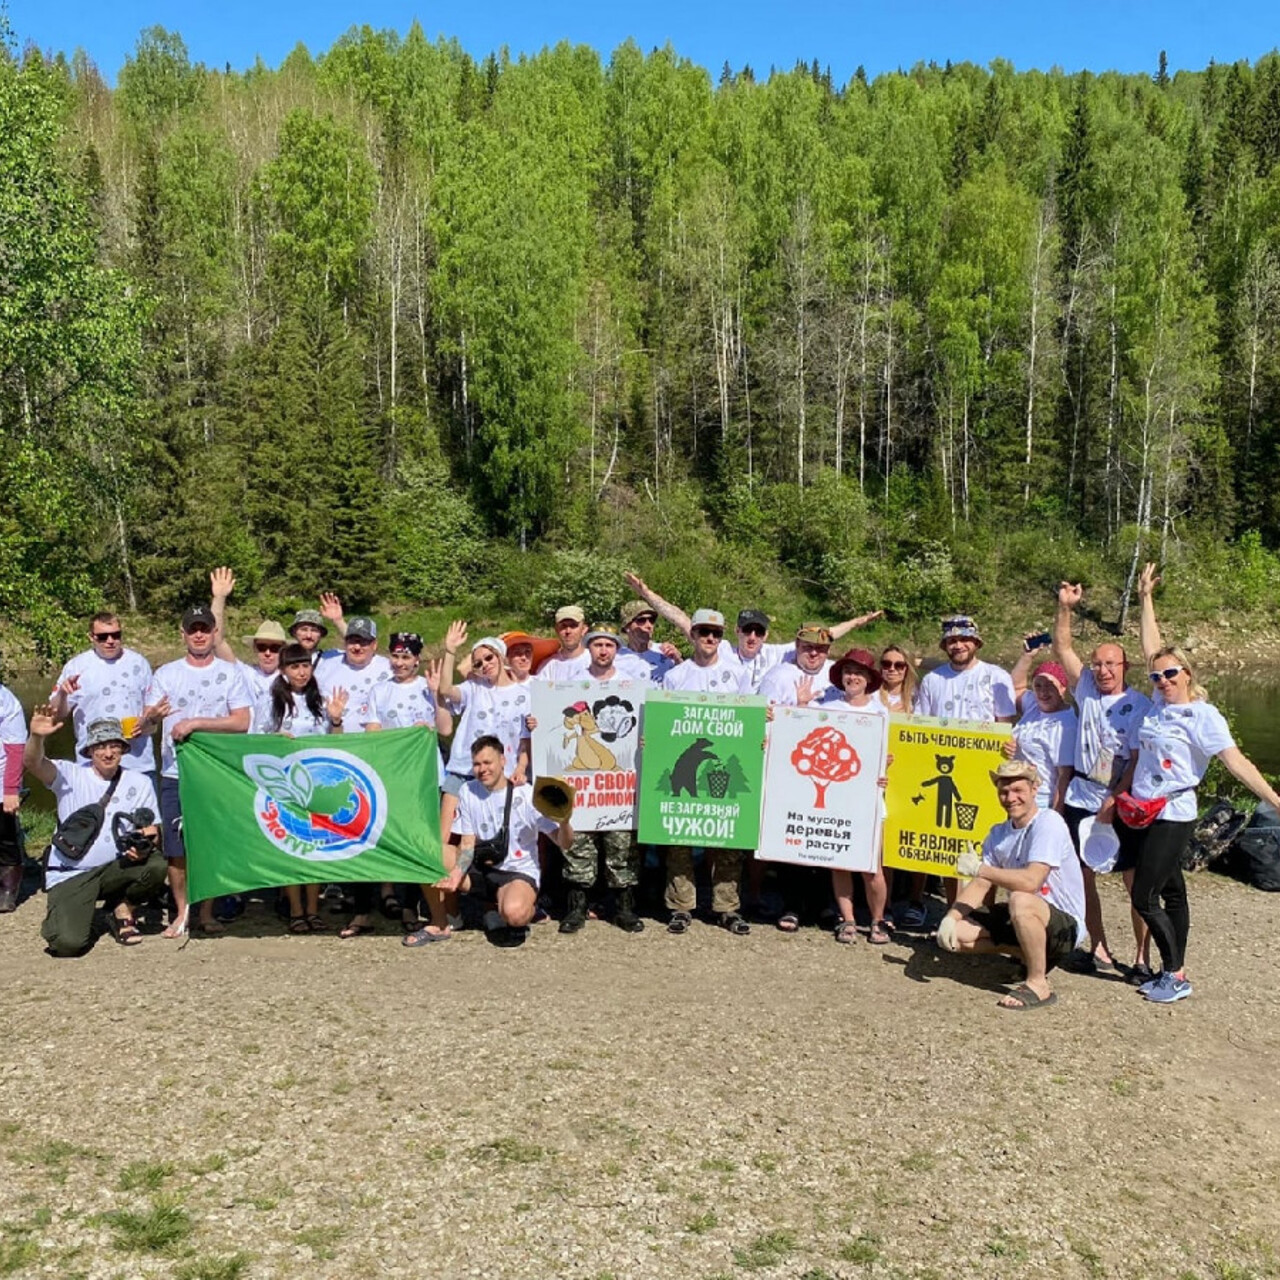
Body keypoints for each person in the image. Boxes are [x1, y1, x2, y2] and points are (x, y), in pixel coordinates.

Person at [1124, 563, 1280, 1003]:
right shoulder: (1159, 700)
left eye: (1172, 674)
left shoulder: (1202, 716)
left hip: (1173, 812)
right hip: (1145, 809)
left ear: (1188, 675)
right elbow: (1153, 647)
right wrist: (1145, 599)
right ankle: (1175, 969)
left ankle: (1174, 974)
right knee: (1172, 891)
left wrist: (1273, 798)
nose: (1163, 680)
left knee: (1144, 895)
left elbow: (1236, 762)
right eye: (1157, 676)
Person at [1052, 581, 1152, 977]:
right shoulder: (1087, 690)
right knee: (1083, 877)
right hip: (1081, 795)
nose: (1103, 670)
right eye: (1098, 664)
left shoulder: (1139, 705)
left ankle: (1143, 958)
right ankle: (1099, 948)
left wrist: (1116, 798)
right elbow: (1062, 646)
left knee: (1134, 882)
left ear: (1125, 667)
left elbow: (1136, 761)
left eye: (1111, 664)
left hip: (1121, 800)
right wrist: (1065, 607)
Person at [934, 760, 1087, 1010]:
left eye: (1018, 790)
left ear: (1034, 789)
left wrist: (980, 868)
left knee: (1020, 899)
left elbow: (1031, 881)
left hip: (1063, 925)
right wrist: (950, 917)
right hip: (1026, 916)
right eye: (1004, 792)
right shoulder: (998, 833)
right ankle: (1029, 956)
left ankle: (1038, 984)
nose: (1010, 798)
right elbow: (980, 884)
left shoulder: (1048, 823)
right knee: (956, 936)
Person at [138, 605, 252, 937]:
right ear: (183, 634)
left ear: (215, 632)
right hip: (175, 773)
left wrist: (197, 723)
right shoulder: (166, 674)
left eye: (205, 628)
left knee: (211, 843)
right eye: (193, 629)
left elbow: (242, 722)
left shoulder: (230, 673)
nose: (199, 634)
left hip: (214, 774)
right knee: (176, 850)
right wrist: (153, 718)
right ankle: (182, 912)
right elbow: (145, 728)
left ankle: (207, 912)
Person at [409, 736, 574, 947]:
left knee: (514, 915)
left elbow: (565, 843)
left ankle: (528, 907)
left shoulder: (527, 794)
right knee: (431, 852)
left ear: (503, 761)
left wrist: (565, 821)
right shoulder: (468, 791)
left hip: (516, 872)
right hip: (482, 866)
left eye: (488, 763)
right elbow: (467, 844)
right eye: (477, 764)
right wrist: (456, 875)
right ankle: (441, 923)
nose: (482, 769)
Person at [26, 711, 165, 955]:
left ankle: (121, 908)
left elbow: (151, 829)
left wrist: (144, 845)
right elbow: (33, 763)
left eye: (114, 746)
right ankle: (71, 910)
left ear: (123, 749)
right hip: (72, 873)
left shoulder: (140, 782)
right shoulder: (69, 775)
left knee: (155, 866)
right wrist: (36, 737)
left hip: (114, 868)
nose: (108, 753)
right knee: (68, 944)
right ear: (89, 751)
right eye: (100, 746)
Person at [343, 633, 450, 937]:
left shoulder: (427, 688)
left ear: (417, 659)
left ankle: (410, 907)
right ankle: (362, 911)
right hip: (389, 778)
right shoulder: (379, 690)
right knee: (371, 838)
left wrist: (435, 699)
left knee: (415, 842)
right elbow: (373, 733)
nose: (400, 663)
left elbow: (445, 728)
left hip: (424, 779)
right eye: (396, 656)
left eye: (406, 658)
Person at [659, 608, 753, 935]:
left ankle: (727, 907)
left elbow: (749, 719)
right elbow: (665, 722)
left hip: (722, 765)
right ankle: (681, 906)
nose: (709, 639)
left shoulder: (738, 673)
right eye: (703, 632)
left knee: (728, 838)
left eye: (715, 634)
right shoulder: (675, 676)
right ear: (693, 635)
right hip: (683, 763)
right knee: (680, 836)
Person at [624, 572, 882, 691]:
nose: (752, 637)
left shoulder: (776, 654)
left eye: (759, 632)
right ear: (736, 631)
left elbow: (823, 636)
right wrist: (646, 593)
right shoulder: (721, 648)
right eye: (747, 631)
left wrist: (859, 621)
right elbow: (681, 618)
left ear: (766, 636)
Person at [552, 626, 644, 934]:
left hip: (619, 784)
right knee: (579, 845)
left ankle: (624, 908)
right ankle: (577, 908)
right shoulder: (571, 685)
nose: (603, 650)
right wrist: (537, 722)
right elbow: (556, 720)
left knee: (622, 845)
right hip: (582, 783)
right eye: (597, 645)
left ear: (616, 650)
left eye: (609, 645)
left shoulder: (632, 685)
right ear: (589, 648)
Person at [818, 649, 893, 944]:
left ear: (869, 679)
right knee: (839, 861)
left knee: (871, 865)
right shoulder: (828, 707)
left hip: (869, 795)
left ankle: (878, 920)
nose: (853, 677)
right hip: (836, 793)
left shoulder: (880, 712)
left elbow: (889, 753)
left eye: (859, 672)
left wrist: (886, 767)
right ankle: (847, 920)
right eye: (849, 671)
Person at [50, 611, 154, 775]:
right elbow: (56, 715)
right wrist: (62, 694)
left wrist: (146, 721)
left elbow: (153, 710)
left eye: (116, 635)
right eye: (103, 637)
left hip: (137, 764)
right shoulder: (76, 666)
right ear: (91, 637)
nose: (110, 641)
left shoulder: (139, 663)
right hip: (91, 766)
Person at [1004, 648, 1077, 812]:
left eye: (1051, 686)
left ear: (1063, 688)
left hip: (1040, 801)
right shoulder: (1034, 706)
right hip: (1014, 792)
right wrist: (1027, 657)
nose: (1043, 692)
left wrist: (1057, 815)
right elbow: (1015, 688)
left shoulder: (1066, 725)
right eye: (1038, 685)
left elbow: (1064, 776)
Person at [915, 616, 1017, 723]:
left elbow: (1004, 726)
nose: (958, 646)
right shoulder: (931, 680)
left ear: (976, 643)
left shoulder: (997, 677)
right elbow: (921, 722)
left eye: (964, 639)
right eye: (952, 641)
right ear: (945, 646)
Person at [209, 566, 287, 700]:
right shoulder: (245, 674)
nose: (267, 653)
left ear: (284, 651)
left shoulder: (293, 679)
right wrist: (219, 598)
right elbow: (216, 641)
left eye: (275, 648)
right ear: (255, 648)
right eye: (262, 647)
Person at [314, 616, 390, 733]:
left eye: (363, 642)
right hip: (332, 741)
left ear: (374, 644)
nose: (357, 647)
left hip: (374, 744)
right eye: (352, 641)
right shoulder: (326, 667)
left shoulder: (390, 669)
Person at [757, 625, 834, 706]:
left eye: (820, 648)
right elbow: (759, 715)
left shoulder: (841, 674)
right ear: (797, 645)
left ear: (828, 650)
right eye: (808, 647)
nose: (813, 653)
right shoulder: (777, 677)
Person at [0, 684, 26, 912]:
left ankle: (8, 885)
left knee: (5, 835)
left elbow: (16, 747)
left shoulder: (6, 700)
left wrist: (11, 789)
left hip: (1, 776)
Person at [613, 600, 679, 684]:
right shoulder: (617, 657)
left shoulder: (665, 652)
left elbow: (685, 682)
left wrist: (678, 660)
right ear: (627, 626)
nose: (648, 625)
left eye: (651, 620)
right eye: (641, 620)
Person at [535, 607, 592, 681]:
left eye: (573, 626)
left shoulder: (596, 662)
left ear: (584, 629)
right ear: (556, 630)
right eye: (563, 626)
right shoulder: (547, 667)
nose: (568, 631)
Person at [877, 645, 918, 714]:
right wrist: (887, 714)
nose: (892, 669)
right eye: (886, 664)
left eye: (899, 665)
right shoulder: (871, 694)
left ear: (908, 668)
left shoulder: (916, 695)